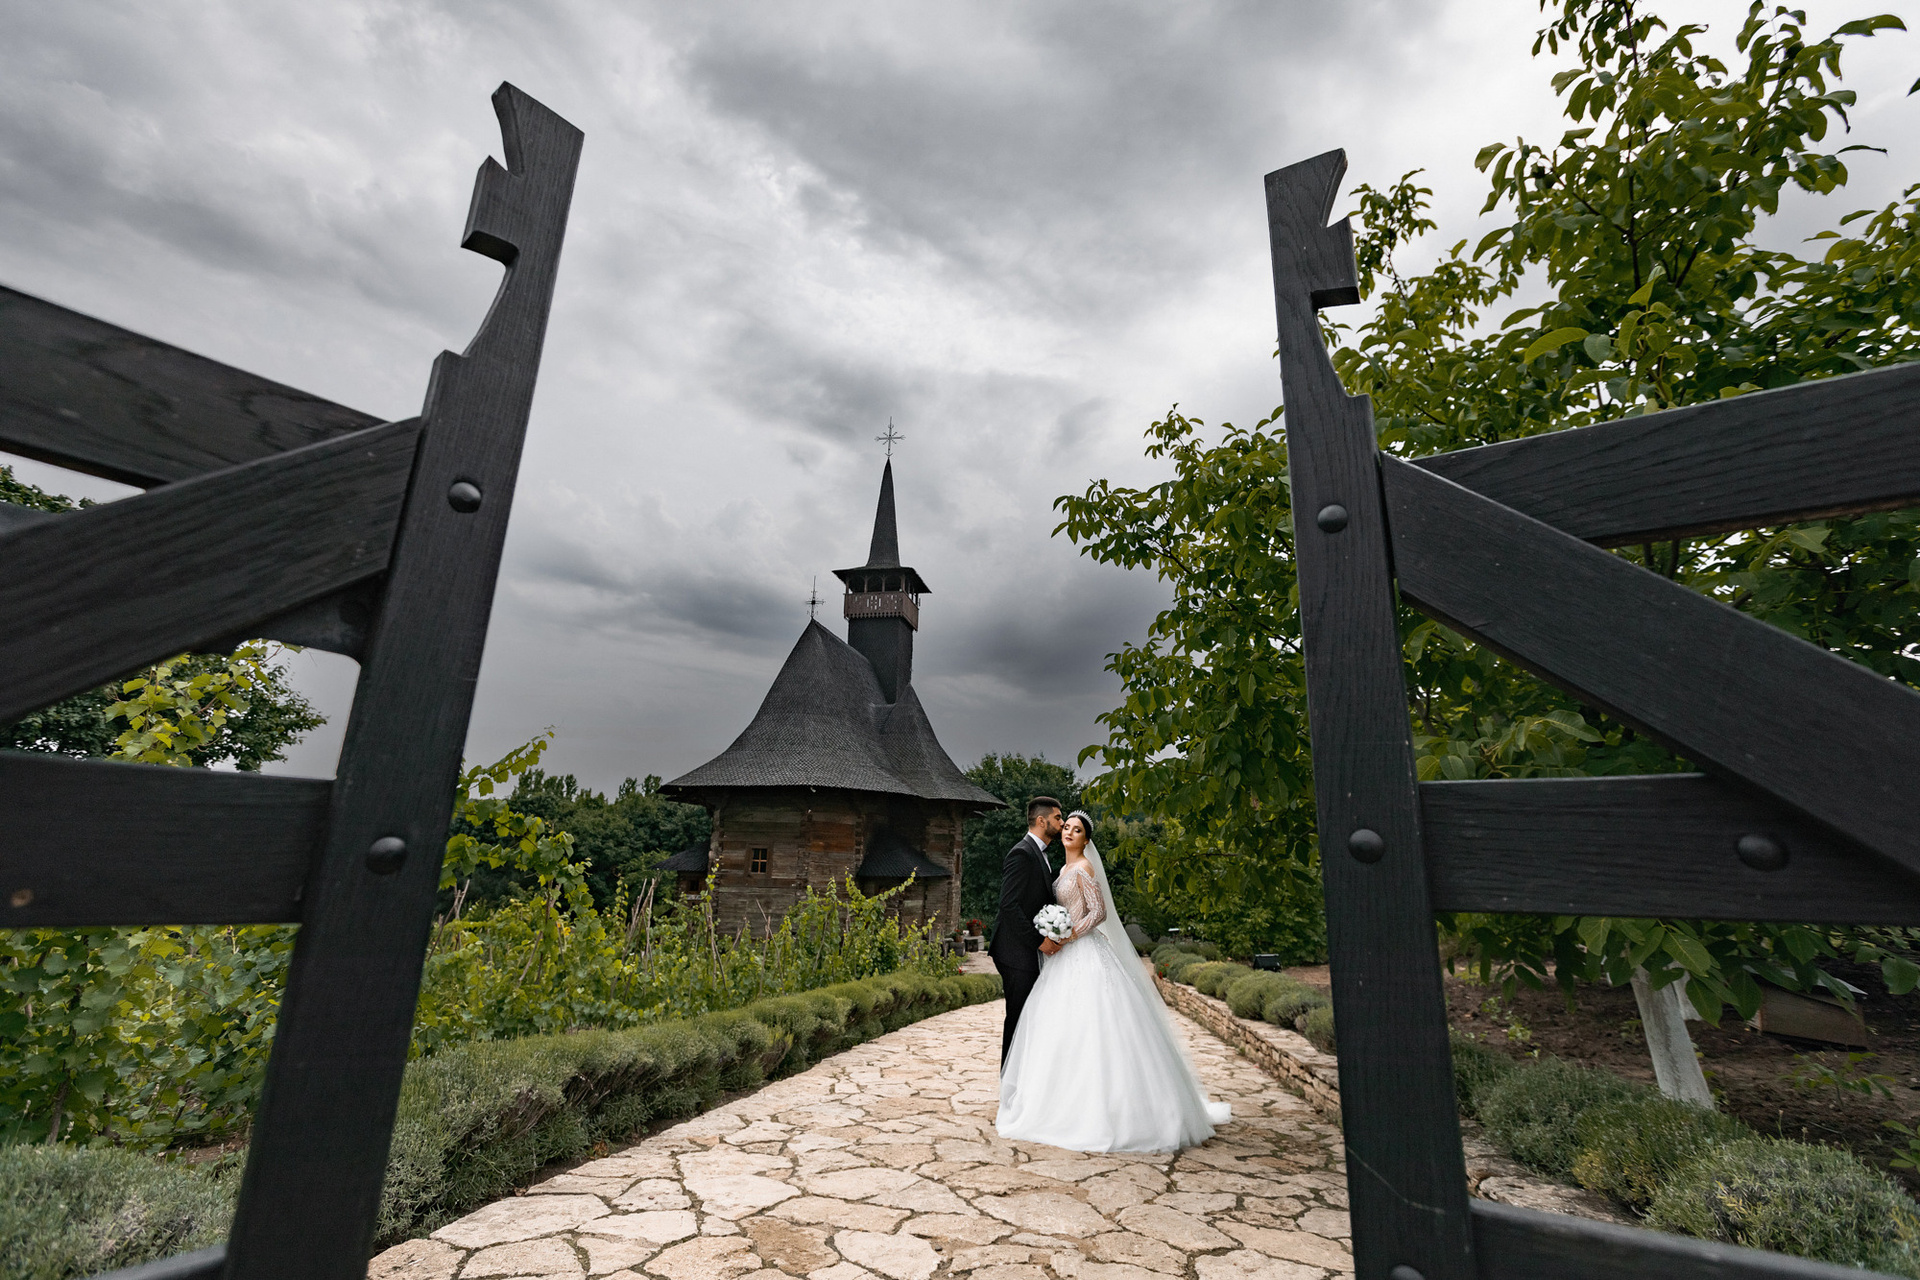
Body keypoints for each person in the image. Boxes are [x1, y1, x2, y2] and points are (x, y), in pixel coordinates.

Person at [997, 810, 1230, 1152]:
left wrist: (1070, 934)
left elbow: (1099, 912)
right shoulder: (1060, 871)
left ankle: (1117, 1111)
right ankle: (1062, 1102)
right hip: (1064, 958)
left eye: (1077, 830)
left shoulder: (1084, 868)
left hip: (1085, 951)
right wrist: (1053, 929)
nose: (1069, 832)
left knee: (1099, 1021)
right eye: (1067, 827)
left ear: (1086, 840)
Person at [988, 796, 1064, 1066]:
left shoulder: (1041, 854)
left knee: (1028, 1018)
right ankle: (1009, 1082)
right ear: (1041, 821)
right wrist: (1039, 942)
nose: (1062, 823)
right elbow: (1009, 906)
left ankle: (1021, 1078)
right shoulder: (1022, 853)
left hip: (1024, 951)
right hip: (1015, 952)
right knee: (1018, 1018)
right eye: (1057, 818)